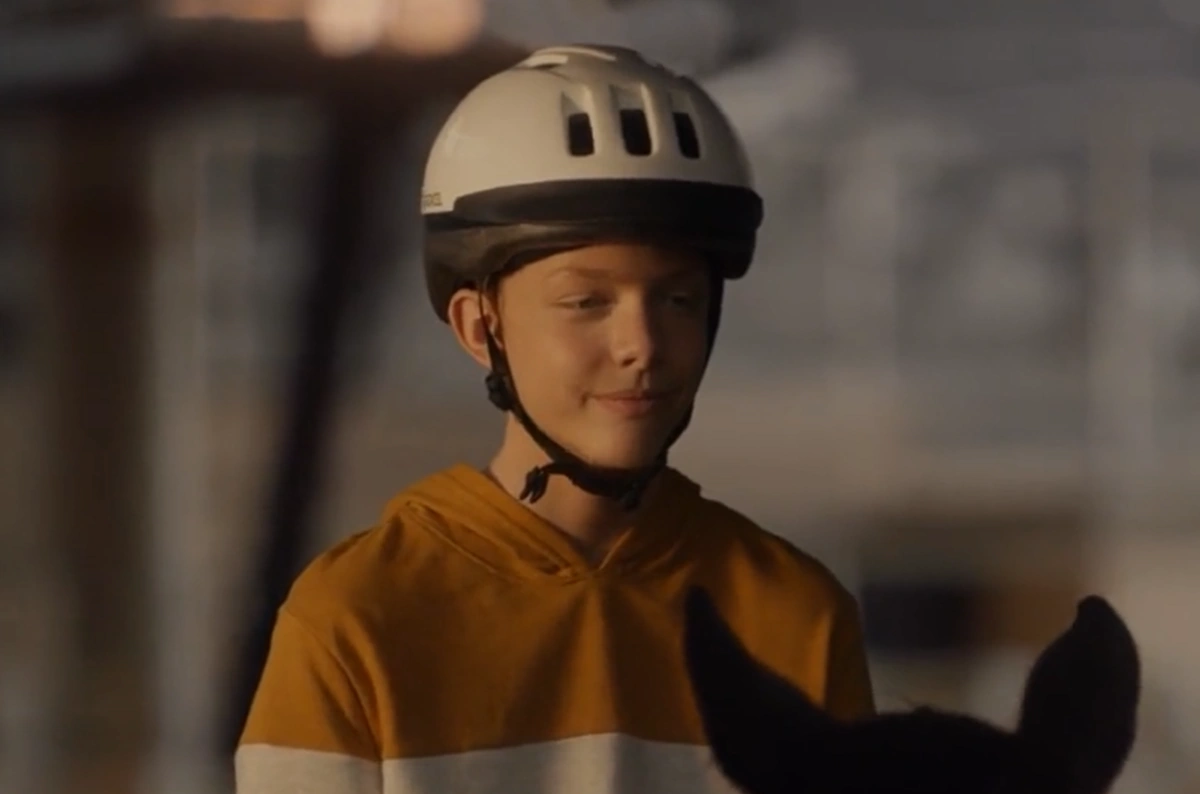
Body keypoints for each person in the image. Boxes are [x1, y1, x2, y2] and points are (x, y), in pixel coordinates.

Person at [235, 43, 875, 794]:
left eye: (679, 299)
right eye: (586, 302)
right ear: (480, 327)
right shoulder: (356, 619)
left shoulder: (797, 614)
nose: (642, 345)